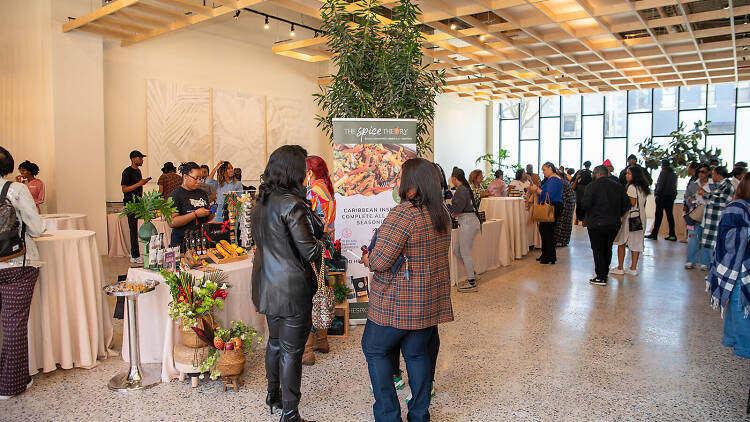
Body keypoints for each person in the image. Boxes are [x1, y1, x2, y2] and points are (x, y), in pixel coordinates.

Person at [360, 157, 453, 422]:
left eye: (401, 177)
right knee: (416, 354)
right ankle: (420, 414)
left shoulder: (404, 213)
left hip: (397, 303)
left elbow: (380, 261)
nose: (397, 182)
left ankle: (389, 415)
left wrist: (368, 258)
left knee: (374, 348)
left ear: (412, 184)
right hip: (426, 301)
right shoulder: (441, 213)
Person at [252, 145, 324, 422]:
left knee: (275, 343)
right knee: (292, 351)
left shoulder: (263, 199)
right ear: (295, 170)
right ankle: (291, 414)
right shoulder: (291, 203)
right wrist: (323, 240)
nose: (306, 172)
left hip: (266, 283)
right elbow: (309, 251)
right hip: (292, 287)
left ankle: (274, 395)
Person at [0, 147, 45, 400]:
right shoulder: (15, 190)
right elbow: (36, 228)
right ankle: (10, 385)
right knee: (14, 322)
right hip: (16, 263)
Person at [706, 173, 750, 359]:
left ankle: (730, 338)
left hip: (739, 264)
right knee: (739, 304)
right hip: (736, 265)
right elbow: (728, 236)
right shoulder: (737, 207)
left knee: (735, 302)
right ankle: (744, 347)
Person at [302, 155, 336, 366]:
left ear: (310, 172)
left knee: (309, 297)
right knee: (321, 289)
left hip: (312, 247)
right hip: (326, 247)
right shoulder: (327, 189)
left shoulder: (312, 191)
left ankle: (307, 351)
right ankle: (322, 341)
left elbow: (307, 223)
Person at [583, 165, 629, 286]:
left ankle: (600, 276)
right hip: (613, 223)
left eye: (593, 173)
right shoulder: (618, 186)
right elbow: (626, 205)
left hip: (596, 223)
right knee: (608, 248)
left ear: (598, 174)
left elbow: (585, 204)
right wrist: (617, 214)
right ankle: (605, 272)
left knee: (597, 249)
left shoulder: (592, 186)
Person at [611, 166, 650, 276]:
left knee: (622, 240)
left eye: (629, 173)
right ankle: (633, 267)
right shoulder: (643, 187)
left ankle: (620, 267)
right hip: (640, 216)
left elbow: (632, 202)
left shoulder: (631, 187)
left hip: (631, 216)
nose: (626, 175)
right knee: (636, 241)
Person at [167, 162, 213, 252]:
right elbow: (172, 222)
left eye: (200, 179)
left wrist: (210, 213)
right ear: (185, 177)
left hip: (200, 243)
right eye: (196, 178)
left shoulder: (202, 193)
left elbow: (205, 218)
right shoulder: (175, 195)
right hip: (182, 244)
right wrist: (195, 214)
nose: (199, 182)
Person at [451, 168, 482, 292]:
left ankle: (471, 283)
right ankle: (472, 274)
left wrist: (450, 210)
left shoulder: (461, 190)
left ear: (454, 178)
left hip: (467, 222)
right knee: (457, 250)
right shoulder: (465, 188)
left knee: (464, 252)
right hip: (470, 221)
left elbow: (458, 208)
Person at [699, 166, 736, 266]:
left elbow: (723, 201)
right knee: (712, 246)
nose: (712, 175)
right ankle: (712, 268)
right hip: (712, 221)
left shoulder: (728, 186)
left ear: (719, 175)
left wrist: (706, 194)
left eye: (713, 173)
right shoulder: (720, 185)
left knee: (717, 246)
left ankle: (716, 269)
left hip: (718, 221)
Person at [529, 162, 563, 264]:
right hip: (552, 206)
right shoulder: (552, 179)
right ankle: (546, 255)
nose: (543, 172)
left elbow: (549, 194)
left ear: (550, 168)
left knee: (547, 232)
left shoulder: (554, 180)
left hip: (551, 206)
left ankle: (548, 256)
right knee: (545, 231)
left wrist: (537, 189)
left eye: (544, 169)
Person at [121, 150, 151, 264]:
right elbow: (124, 189)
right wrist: (140, 183)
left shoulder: (138, 171)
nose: (142, 160)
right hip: (130, 204)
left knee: (141, 228)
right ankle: (134, 255)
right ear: (134, 159)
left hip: (139, 203)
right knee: (133, 229)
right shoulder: (127, 172)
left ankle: (140, 252)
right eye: (140, 158)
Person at [684, 164, 713, 270]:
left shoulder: (713, 185)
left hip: (709, 215)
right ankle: (690, 260)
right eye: (699, 172)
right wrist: (689, 201)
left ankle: (705, 262)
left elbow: (715, 198)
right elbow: (687, 196)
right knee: (693, 238)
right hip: (695, 214)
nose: (701, 174)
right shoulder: (693, 184)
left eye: (703, 171)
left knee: (706, 239)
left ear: (709, 172)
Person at [646, 159, 678, 241]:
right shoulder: (673, 173)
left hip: (662, 196)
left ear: (662, 165)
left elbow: (661, 184)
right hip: (671, 197)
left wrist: (657, 193)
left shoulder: (663, 172)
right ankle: (672, 234)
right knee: (669, 215)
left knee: (659, 215)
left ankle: (654, 233)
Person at [555, 168, 575, 247]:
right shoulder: (565, 181)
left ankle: (560, 240)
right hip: (569, 203)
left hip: (566, 203)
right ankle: (564, 240)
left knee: (562, 222)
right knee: (566, 223)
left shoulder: (560, 182)